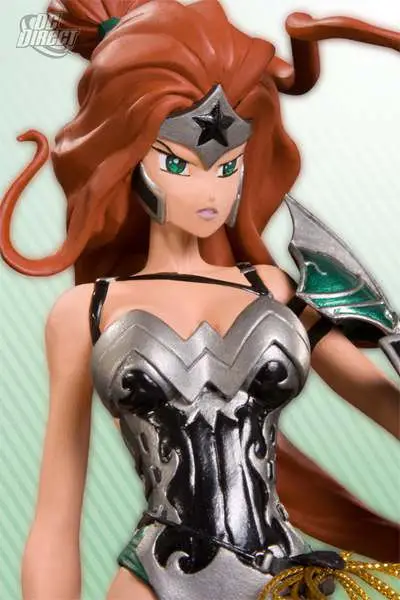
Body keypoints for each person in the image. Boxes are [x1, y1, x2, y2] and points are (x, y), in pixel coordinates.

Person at [0, 1, 399, 598]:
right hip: (155, 582)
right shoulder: (87, 310)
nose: (211, 188)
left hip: (282, 582)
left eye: (228, 165)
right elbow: (56, 518)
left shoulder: (273, 290)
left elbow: (384, 405)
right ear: (128, 159)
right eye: (177, 163)